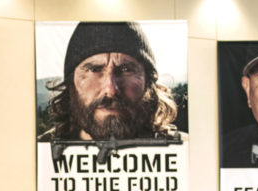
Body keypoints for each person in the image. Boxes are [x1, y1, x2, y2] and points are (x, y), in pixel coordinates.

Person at [39, 22, 180, 142]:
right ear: (71, 84)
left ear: (148, 83)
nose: (111, 90)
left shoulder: (183, 152)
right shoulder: (39, 154)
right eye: (94, 69)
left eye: (126, 69)